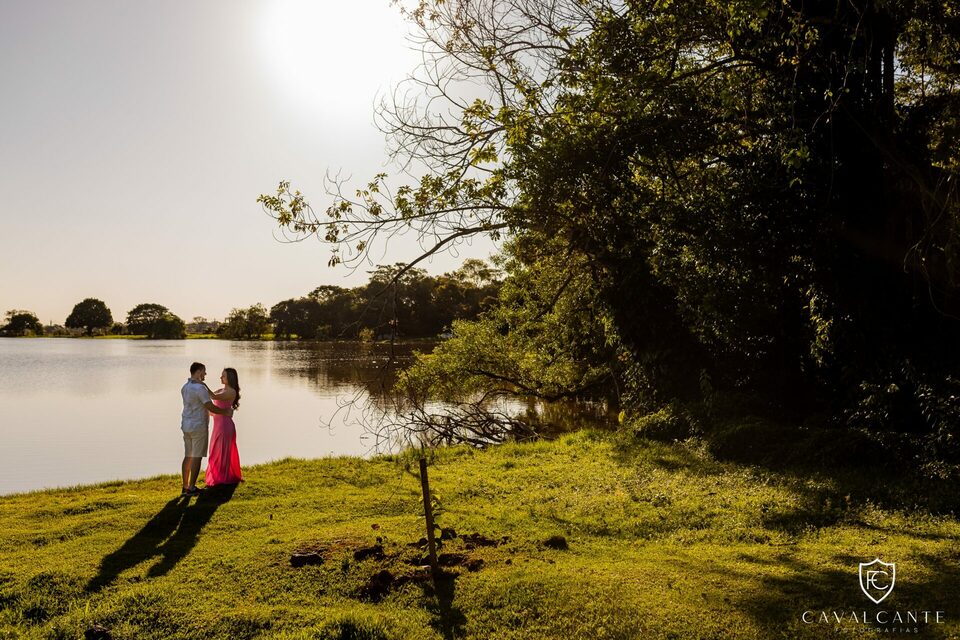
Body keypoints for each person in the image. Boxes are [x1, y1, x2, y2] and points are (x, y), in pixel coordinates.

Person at [180, 362, 232, 497]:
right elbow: (210, 406)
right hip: (198, 426)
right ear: (198, 372)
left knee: (188, 455)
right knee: (197, 457)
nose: (205, 374)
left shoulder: (185, 387)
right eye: (204, 371)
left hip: (186, 425)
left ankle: (185, 486)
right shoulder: (200, 388)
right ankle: (191, 488)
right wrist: (225, 412)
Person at [203, 367, 243, 486]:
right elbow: (210, 399)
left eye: (223, 376)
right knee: (215, 451)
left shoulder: (231, 392)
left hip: (225, 426)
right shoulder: (221, 390)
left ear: (229, 378)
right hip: (217, 426)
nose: (221, 377)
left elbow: (213, 397)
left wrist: (201, 384)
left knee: (222, 452)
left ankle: (223, 477)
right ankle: (217, 475)